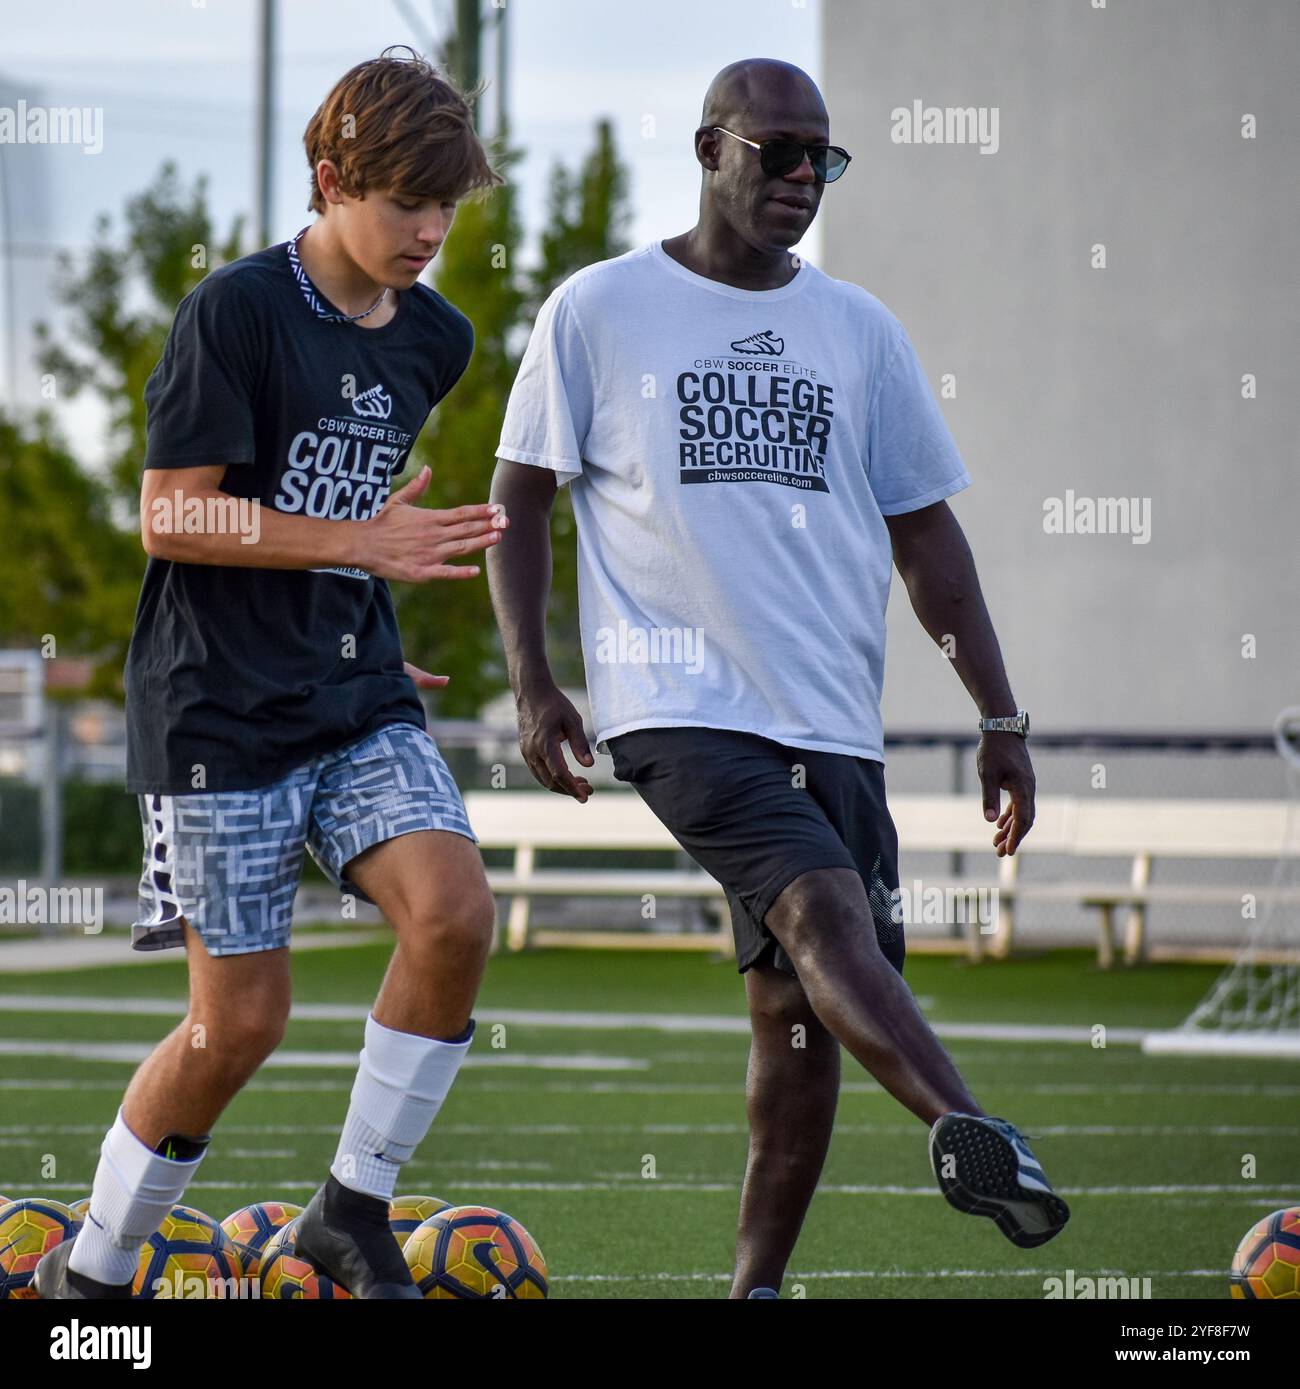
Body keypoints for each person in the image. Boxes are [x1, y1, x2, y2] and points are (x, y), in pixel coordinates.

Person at [487, 57, 1069, 1299]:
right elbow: (522, 492)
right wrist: (535, 681)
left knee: (796, 1019)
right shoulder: (598, 308)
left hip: (830, 717)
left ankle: (753, 1290)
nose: (804, 178)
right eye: (778, 153)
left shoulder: (859, 330)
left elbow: (929, 540)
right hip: (677, 704)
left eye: (824, 158)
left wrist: (999, 717)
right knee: (820, 912)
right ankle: (973, 1132)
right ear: (711, 150)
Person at [36, 48, 508, 1300]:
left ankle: (350, 1210)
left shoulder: (439, 338)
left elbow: (318, 510)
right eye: (402, 199)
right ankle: (92, 1277)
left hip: (350, 694)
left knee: (455, 912)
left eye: (444, 204)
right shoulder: (234, 312)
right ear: (328, 180)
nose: (425, 230)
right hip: (214, 714)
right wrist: (363, 545)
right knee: (235, 1024)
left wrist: (350, 598)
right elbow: (172, 518)